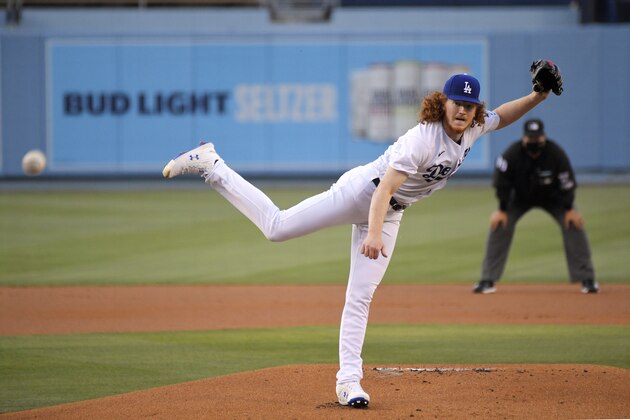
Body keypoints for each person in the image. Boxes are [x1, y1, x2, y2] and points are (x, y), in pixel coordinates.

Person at [163, 72, 554, 408]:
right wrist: (371, 234)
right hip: (363, 193)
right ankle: (213, 165)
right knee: (277, 228)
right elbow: (384, 190)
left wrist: (539, 95)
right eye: (456, 103)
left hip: (391, 212)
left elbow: (503, 116)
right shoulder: (422, 140)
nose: (463, 111)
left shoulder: (473, 126)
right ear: (443, 103)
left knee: (360, 295)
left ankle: (349, 381)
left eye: (469, 105)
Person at [473, 118, 599, 294]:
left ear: (543, 137)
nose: (534, 142)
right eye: (530, 138)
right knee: (499, 225)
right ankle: (488, 279)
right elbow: (501, 182)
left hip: (554, 198)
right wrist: (502, 209)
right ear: (524, 138)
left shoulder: (556, 153)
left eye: (537, 138)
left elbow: (567, 182)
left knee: (574, 223)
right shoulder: (512, 153)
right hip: (519, 198)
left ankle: (587, 279)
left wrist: (569, 208)